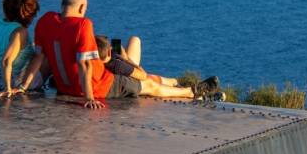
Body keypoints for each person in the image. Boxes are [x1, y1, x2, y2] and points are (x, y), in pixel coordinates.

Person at [19, 0, 219, 109]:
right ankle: (191, 92)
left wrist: (21, 88)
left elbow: (39, 58)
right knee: (148, 86)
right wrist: (89, 98)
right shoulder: (82, 25)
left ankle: (180, 84)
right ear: (81, 7)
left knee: (145, 78)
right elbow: (85, 65)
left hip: (67, 86)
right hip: (100, 85)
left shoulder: (45, 21)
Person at [95, 35, 224, 100]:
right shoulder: (117, 64)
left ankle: (176, 82)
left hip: (120, 73)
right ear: (108, 52)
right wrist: (126, 59)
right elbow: (143, 75)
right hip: (127, 72)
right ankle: (191, 92)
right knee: (150, 82)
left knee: (135, 40)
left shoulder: (99, 64)